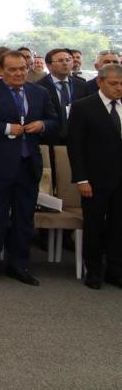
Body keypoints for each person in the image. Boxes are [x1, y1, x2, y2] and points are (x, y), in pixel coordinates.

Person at [0, 50, 58, 285]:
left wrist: (42, 125)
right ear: (0, 70)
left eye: (22, 68)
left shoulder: (39, 92)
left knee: (24, 218)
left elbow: (54, 121)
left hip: (28, 165)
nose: (19, 73)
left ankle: (19, 265)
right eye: (13, 69)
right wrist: (6, 128)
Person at [67, 63, 122, 289]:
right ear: (100, 81)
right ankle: (94, 270)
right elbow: (75, 146)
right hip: (94, 178)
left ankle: (115, 270)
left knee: (118, 226)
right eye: (114, 84)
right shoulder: (83, 107)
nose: (119, 88)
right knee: (94, 226)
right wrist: (81, 178)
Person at [39, 48, 86, 144]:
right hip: (51, 139)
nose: (65, 63)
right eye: (60, 61)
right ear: (49, 65)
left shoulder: (81, 84)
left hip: (79, 138)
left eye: (68, 60)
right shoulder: (39, 87)